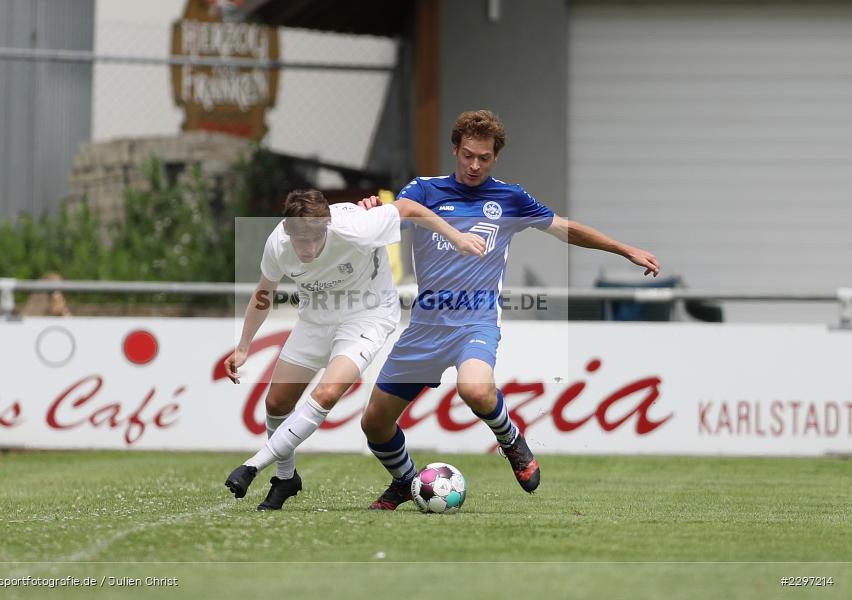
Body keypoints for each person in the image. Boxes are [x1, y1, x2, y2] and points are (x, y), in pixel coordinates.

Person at [359, 110, 661, 510]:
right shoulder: (424, 190)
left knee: (475, 389)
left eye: (484, 157)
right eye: (467, 155)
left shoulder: (510, 198)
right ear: (455, 150)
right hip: (426, 326)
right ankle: (405, 480)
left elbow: (564, 227)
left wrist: (624, 249)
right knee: (374, 423)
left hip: (475, 320)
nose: (474, 165)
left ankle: (511, 441)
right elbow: (391, 217)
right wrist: (368, 209)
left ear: (496, 156)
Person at [224, 188, 485, 510]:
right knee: (276, 402)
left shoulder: (356, 227)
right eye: (299, 240)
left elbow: (408, 208)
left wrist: (457, 237)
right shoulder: (278, 242)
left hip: (367, 316)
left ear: (327, 227)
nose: (306, 248)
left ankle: (252, 466)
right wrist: (243, 346)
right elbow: (265, 291)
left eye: (313, 240)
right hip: (315, 319)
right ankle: (286, 478)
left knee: (327, 393)